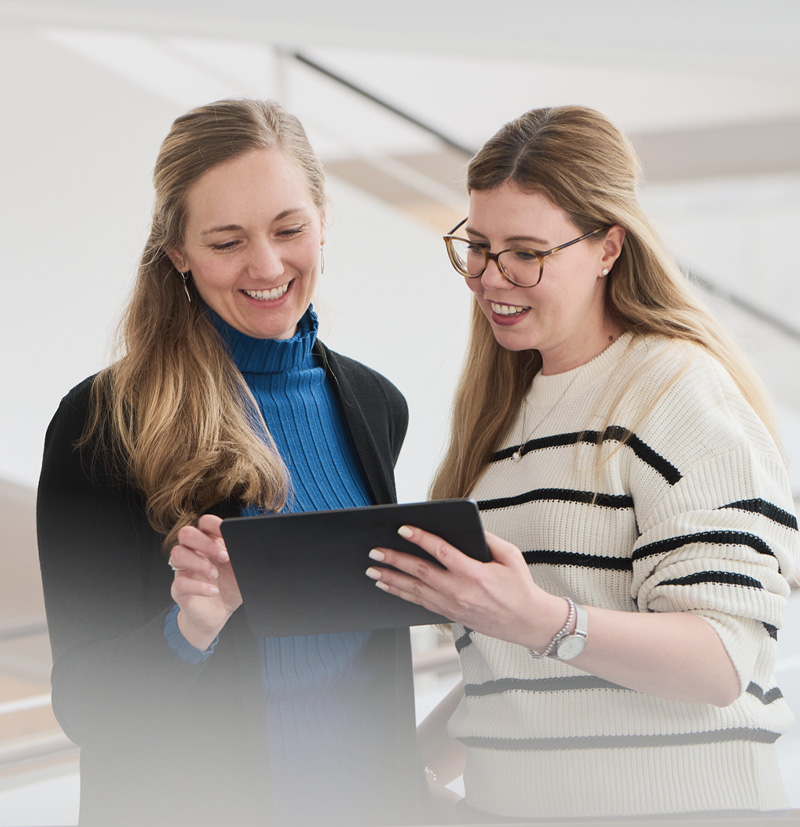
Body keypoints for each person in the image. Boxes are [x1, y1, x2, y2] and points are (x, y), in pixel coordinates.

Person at [366, 105, 799, 822]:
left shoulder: (675, 391)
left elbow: (723, 658)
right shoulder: (502, 416)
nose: (490, 277)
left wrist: (543, 619)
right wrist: (400, 766)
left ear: (608, 247)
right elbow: (515, 670)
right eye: (477, 245)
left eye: (527, 252)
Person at [37, 98, 427, 827]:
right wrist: (189, 629)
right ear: (177, 251)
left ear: (322, 218)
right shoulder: (102, 424)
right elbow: (83, 701)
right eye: (226, 241)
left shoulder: (375, 405)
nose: (268, 265)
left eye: (290, 229)